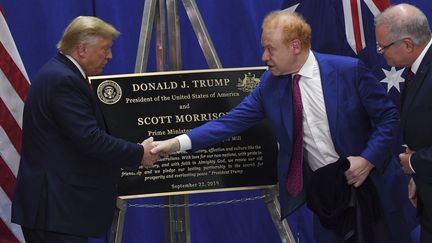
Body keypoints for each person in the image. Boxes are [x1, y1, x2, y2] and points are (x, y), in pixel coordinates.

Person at [151, 10, 412, 243]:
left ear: (295, 46)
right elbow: (228, 123)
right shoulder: (270, 85)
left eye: (270, 49)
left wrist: (367, 159)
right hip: (328, 198)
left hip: (373, 186)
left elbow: (388, 117)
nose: (264, 56)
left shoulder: (348, 71)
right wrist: (175, 144)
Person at [11, 16, 159, 243]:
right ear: (82, 49)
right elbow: (90, 138)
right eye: (105, 49)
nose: (109, 56)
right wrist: (139, 153)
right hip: (55, 211)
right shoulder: (64, 81)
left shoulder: (60, 73)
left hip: (57, 210)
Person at [375, 3, 432, 242]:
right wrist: (418, 177)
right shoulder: (418, 69)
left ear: (407, 44)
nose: (379, 51)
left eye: (383, 46)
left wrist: (415, 163)